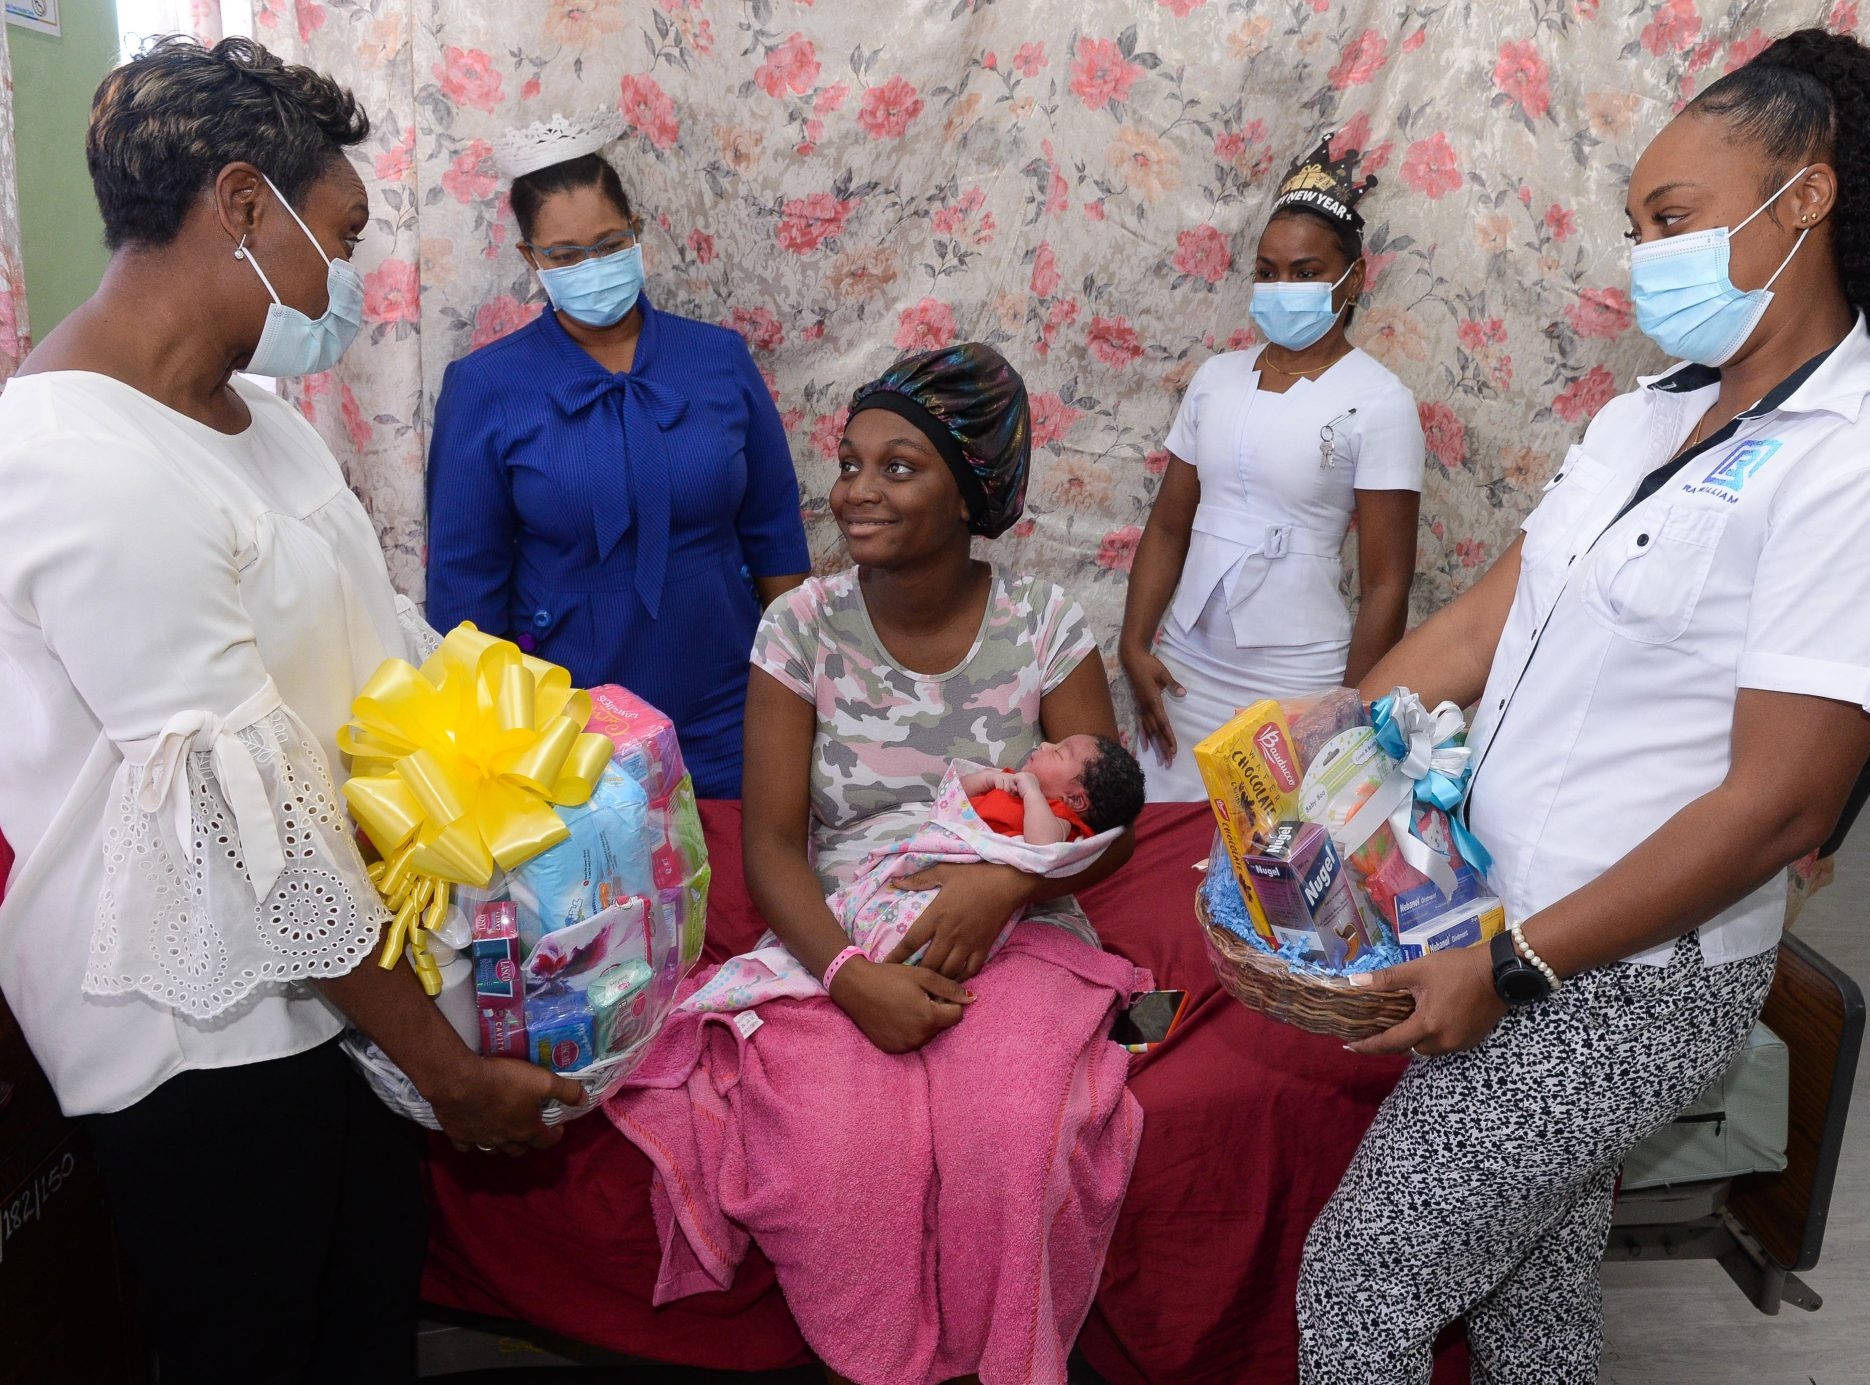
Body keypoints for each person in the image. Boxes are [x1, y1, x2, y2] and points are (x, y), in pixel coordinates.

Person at [1294, 29, 1870, 1383]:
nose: (1646, 257)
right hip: (1513, 921)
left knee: (1361, 1281)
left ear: (1803, 201)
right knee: (1530, 1309)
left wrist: (1513, 968)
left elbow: (1782, 804)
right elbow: (1481, 622)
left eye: (1675, 220)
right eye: (1636, 225)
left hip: (1614, 982)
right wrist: (1314, 749)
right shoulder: (1649, 419)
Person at [0, 38, 584, 1383]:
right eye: (341, 235)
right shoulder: (80, 466)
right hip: (201, 1041)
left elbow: (384, 654)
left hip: (343, 992)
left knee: (360, 1334)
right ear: (244, 206)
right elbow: (245, 824)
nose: (349, 282)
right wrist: (446, 1068)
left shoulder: (259, 418)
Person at [609, 344, 1145, 1385]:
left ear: (970, 490)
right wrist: (852, 979)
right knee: (839, 1147)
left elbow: (1109, 817)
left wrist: (1005, 884)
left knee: (1010, 1129)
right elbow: (768, 846)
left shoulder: (1043, 625)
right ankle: (882, 1362)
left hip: (1022, 921)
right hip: (846, 926)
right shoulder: (799, 629)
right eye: (851, 461)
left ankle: (1012, 1361)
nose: (855, 490)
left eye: (898, 467)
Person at [425, 108, 810, 799]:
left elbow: (776, 534)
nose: (591, 267)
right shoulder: (486, 387)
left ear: (637, 235)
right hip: (569, 719)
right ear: (531, 260)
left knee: (737, 898)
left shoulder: (717, 360)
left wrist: (805, 688)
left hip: (729, 694)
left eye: (608, 243)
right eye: (566, 255)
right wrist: (494, 755)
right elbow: (465, 592)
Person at [1120, 133, 1424, 800]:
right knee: (1154, 857)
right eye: (1267, 271)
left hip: (1298, 683)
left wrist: (1345, 718)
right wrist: (1134, 644)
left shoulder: (1380, 402)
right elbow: (1170, 525)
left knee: (1265, 872)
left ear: (1354, 279)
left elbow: (1385, 584)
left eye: (1306, 272)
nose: (1282, 287)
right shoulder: (1215, 379)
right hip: (1185, 669)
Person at [961, 733, 1147, 843]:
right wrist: (987, 779)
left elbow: (1042, 847)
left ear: (1074, 799)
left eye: (1058, 752)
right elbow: (953, 795)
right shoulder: (1011, 780)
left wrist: (1032, 793)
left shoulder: (1059, 817)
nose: (1045, 745)